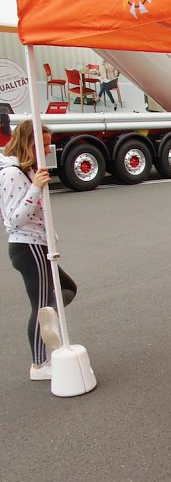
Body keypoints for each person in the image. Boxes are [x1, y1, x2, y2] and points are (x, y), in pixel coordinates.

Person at [1, 120, 76, 381]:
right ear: (28, 143)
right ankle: (38, 364)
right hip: (27, 245)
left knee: (67, 289)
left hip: (37, 244)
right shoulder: (12, 174)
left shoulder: (27, 169)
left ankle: (50, 323)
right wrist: (36, 188)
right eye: (42, 144)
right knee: (41, 305)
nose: (47, 149)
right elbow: (12, 219)